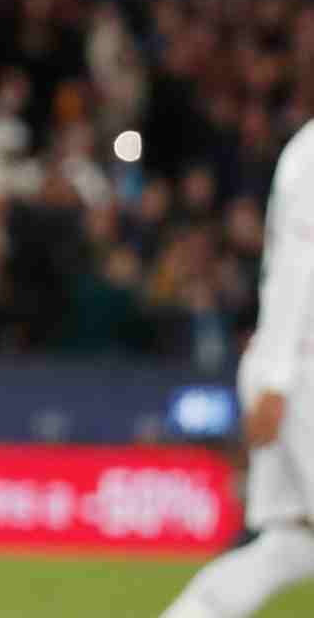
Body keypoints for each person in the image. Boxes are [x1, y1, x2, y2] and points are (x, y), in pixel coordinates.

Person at [159, 120, 314, 618]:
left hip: (289, 368)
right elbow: (297, 265)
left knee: (293, 544)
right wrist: (278, 382)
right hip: (301, 370)